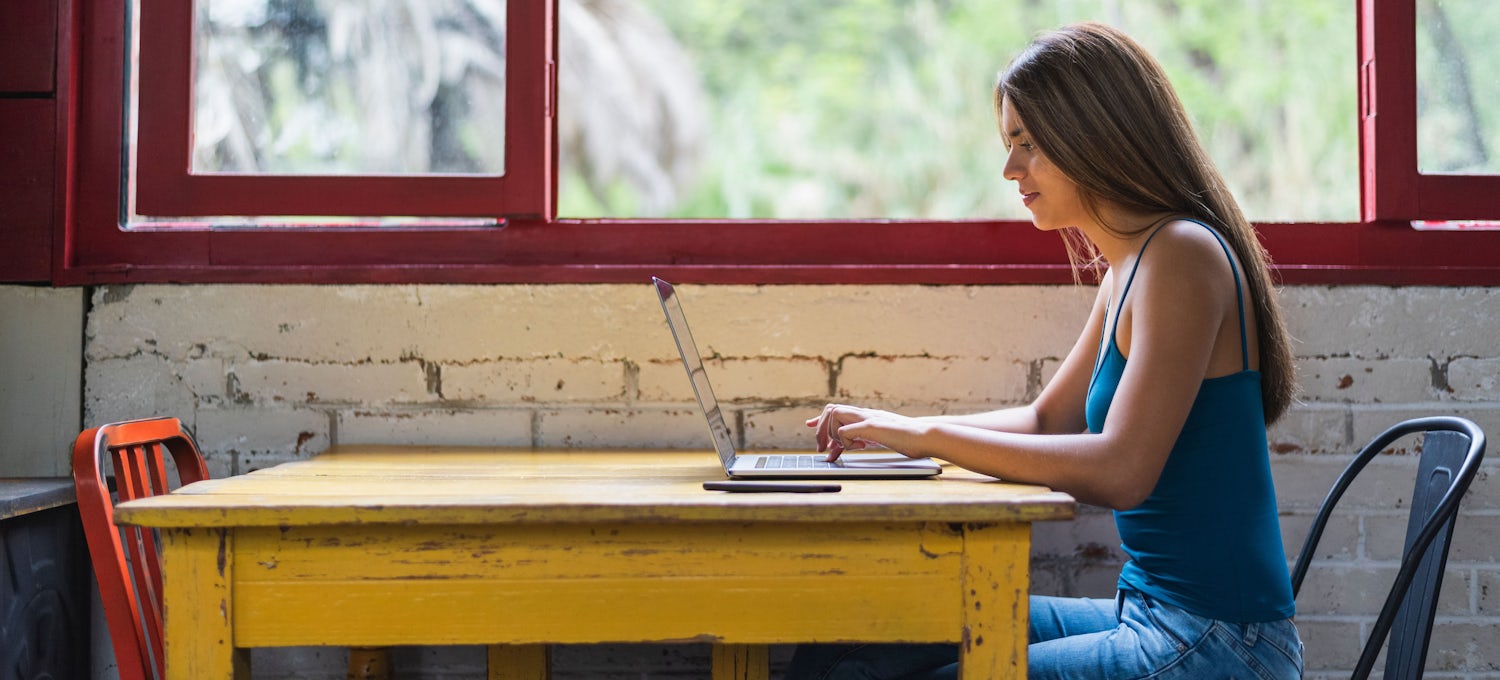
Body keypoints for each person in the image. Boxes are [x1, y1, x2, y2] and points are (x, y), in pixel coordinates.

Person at [786, 22, 1303, 680]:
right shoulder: (1129, 267)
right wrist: (896, 431)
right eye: (1010, 144)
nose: (1010, 169)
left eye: (1028, 144)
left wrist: (933, 437)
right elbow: (1045, 421)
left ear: (1094, 134)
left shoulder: (1181, 256)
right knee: (857, 642)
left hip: (1219, 643)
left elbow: (1121, 469)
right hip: (1146, 614)